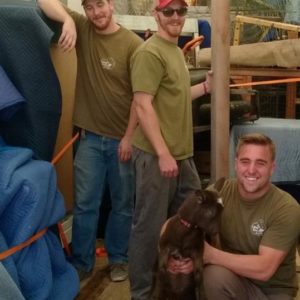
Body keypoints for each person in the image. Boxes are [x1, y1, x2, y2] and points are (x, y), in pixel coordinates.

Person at [37, 0, 143, 282]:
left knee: (122, 204)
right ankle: (83, 262)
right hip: (90, 140)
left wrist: (130, 138)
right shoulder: (83, 28)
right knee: (85, 204)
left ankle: (119, 258)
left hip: (123, 139)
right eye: (89, 7)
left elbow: (140, 99)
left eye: (100, 5)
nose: (96, 13)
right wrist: (68, 20)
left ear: (111, 4)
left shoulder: (133, 45)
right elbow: (43, 1)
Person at [128, 0, 212, 298]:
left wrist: (204, 87)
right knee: (149, 228)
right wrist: (163, 153)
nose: (175, 17)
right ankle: (141, 292)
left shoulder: (175, 50)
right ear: (157, 14)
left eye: (180, 11)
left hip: (180, 155)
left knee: (187, 222)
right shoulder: (149, 53)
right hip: (156, 156)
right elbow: (143, 104)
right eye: (168, 11)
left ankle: (178, 286)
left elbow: (175, 96)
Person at [168, 133, 300, 300]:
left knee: (212, 274)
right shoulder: (221, 190)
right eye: (245, 161)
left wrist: (208, 255)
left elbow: (264, 269)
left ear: (272, 168)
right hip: (233, 278)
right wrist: (177, 258)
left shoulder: (286, 208)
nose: (251, 170)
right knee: (208, 277)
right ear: (236, 164)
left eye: (260, 163)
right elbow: (177, 221)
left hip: (271, 291)